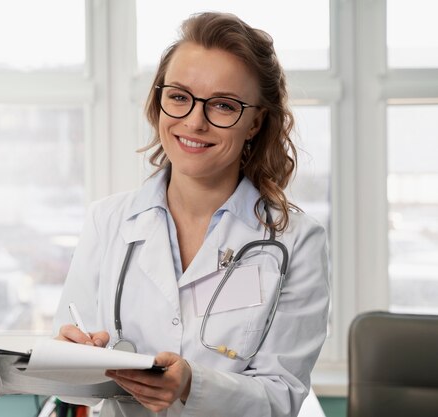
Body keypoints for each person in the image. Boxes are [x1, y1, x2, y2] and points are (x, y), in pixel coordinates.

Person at [53, 11, 330, 417]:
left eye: (223, 105)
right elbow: (75, 390)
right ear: (159, 101)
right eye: (179, 97)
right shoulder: (107, 222)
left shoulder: (296, 241)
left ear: (255, 122)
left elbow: (281, 398)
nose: (194, 122)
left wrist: (190, 385)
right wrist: (69, 361)